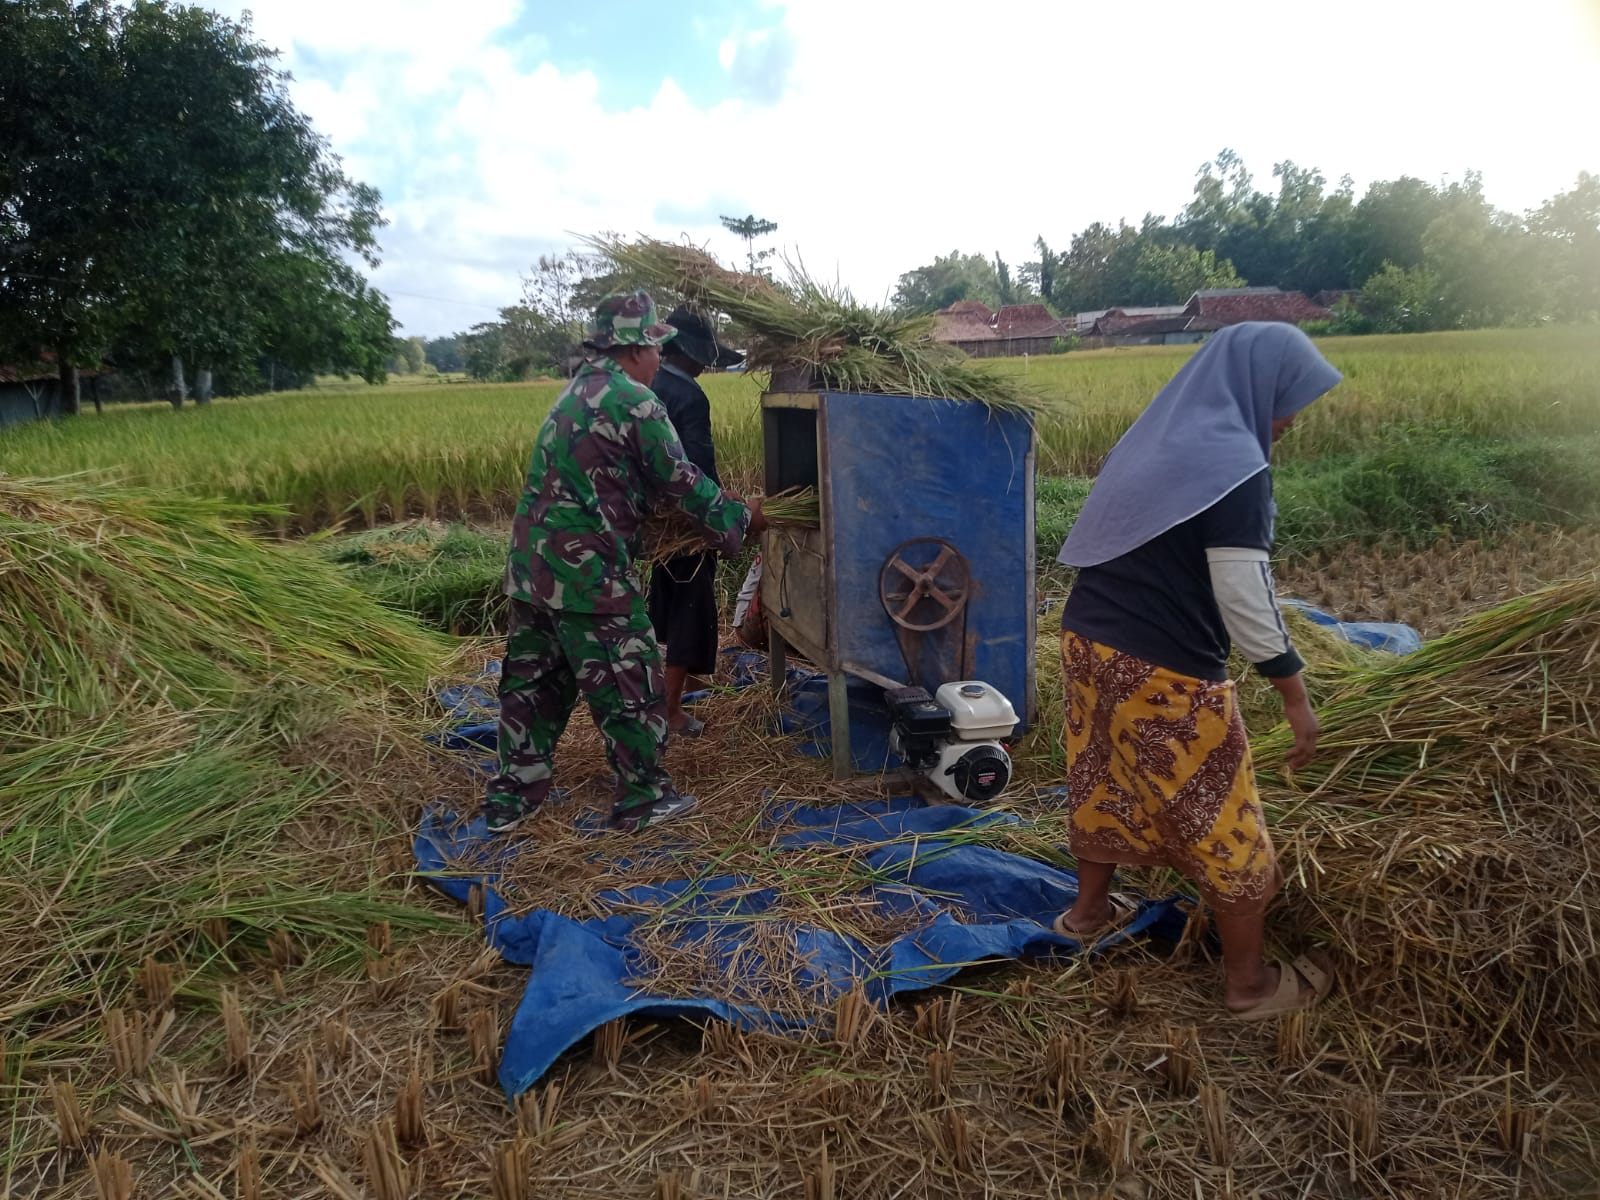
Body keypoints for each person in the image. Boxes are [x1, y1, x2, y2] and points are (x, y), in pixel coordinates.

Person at [1049, 322, 1342, 1021]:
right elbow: (1244, 595)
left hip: (1088, 642)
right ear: (1257, 387)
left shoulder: (1153, 440)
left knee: (1104, 776)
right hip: (1162, 668)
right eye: (1290, 398)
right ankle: (1249, 986)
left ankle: (1087, 917)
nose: (1293, 418)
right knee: (1224, 814)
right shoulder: (1235, 464)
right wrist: (1295, 696)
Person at [486, 291, 767, 836]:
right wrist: (738, 518)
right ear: (635, 349)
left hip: (532, 570)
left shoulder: (573, 393)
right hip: (587, 573)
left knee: (533, 684)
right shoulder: (633, 400)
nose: (661, 359)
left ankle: (512, 799)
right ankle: (643, 798)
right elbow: (678, 479)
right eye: (656, 348)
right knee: (630, 680)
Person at [645, 307, 746, 737]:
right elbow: (696, 467)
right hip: (688, 524)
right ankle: (670, 710)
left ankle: (677, 688)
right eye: (703, 354)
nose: (706, 363)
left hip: (656, 523)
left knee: (667, 600)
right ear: (687, 351)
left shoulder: (651, 385)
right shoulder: (688, 395)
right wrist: (727, 512)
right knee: (692, 607)